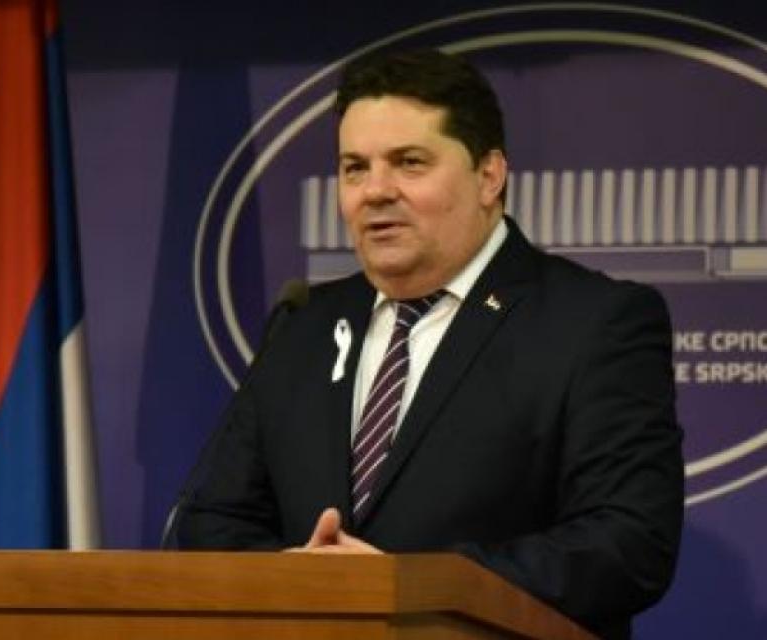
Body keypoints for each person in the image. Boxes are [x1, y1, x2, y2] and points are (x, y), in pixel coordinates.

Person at [176, 49, 683, 639]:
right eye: (354, 168)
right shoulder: (303, 322)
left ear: (489, 176)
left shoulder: (594, 321)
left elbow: (627, 544)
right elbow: (213, 520)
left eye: (409, 163)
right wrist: (302, 581)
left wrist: (411, 585)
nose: (375, 191)